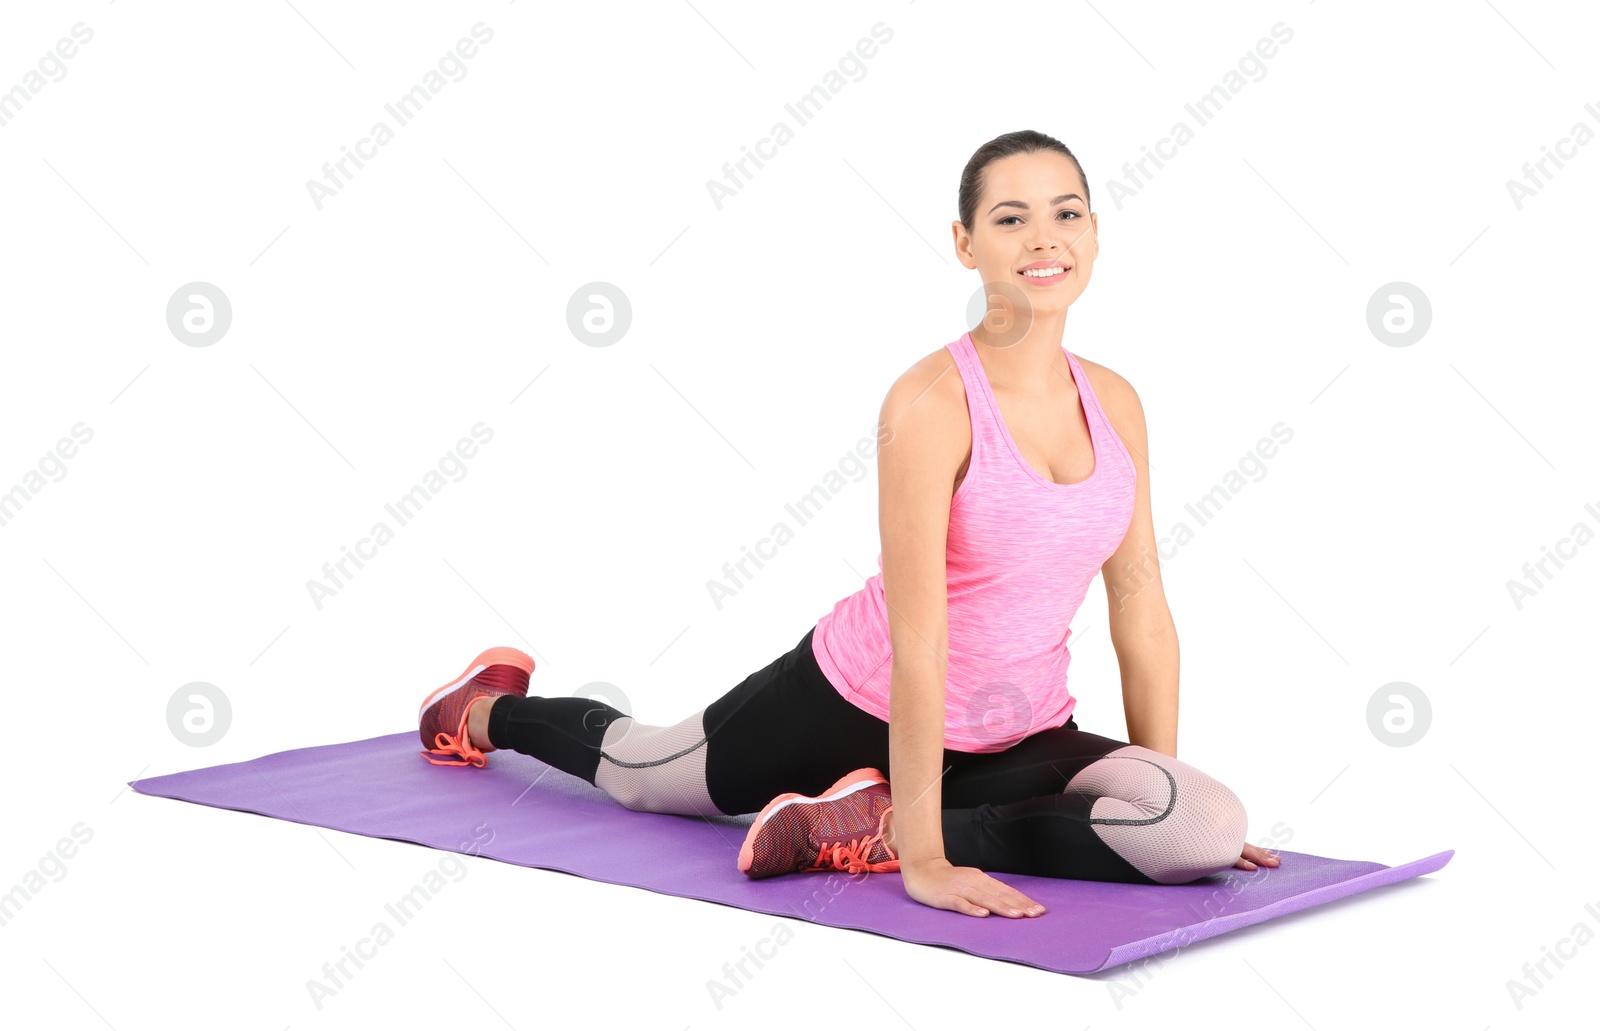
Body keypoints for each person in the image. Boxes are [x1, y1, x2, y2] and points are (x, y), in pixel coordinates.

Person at [414, 129, 1280, 920]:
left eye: (1066, 214)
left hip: (1017, 729)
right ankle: (483, 709)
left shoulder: (1117, 401)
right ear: (966, 244)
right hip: (853, 699)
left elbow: (1141, 606)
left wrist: (1163, 794)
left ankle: (874, 821)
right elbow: (918, 639)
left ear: (1094, 232)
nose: (1045, 238)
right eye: (1011, 218)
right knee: (642, 775)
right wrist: (930, 862)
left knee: (1203, 823)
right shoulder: (933, 402)